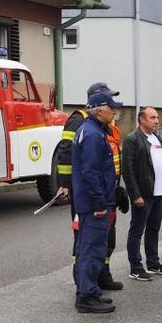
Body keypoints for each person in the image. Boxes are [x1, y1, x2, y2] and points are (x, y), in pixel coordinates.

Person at [52, 81, 126, 292]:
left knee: (104, 240)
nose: (114, 110)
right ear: (98, 103)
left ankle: (101, 277)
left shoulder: (104, 126)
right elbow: (68, 156)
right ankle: (86, 286)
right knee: (88, 243)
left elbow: (110, 161)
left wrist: (116, 188)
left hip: (105, 192)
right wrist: (65, 185)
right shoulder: (81, 123)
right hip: (91, 196)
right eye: (110, 102)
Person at [72, 91, 123, 313]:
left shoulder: (91, 130)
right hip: (94, 205)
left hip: (91, 202)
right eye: (111, 108)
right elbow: (91, 173)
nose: (114, 112)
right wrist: (101, 203)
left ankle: (89, 290)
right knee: (92, 250)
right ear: (99, 110)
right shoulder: (93, 134)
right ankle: (86, 297)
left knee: (89, 249)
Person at [121, 106, 162, 281]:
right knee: (137, 230)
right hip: (143, 195)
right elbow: (127, 170)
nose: (157, 120)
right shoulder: (132, 139)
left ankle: (153, 263)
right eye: (152, 117)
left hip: (158, 193)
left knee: (153, 229)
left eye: (157, 117)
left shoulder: (157, 138)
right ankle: (135, 267)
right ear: (141, 120)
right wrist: (135, 195)